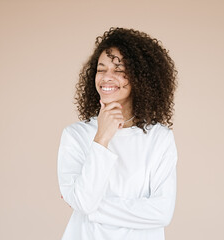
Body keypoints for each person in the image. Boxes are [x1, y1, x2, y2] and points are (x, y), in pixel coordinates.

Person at [57, 27, 178, 240]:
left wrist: (91, 208)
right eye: (101, 69)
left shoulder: (159, 138)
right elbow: (85, 202)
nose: (106, 77)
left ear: (141, 77)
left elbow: (162, 212)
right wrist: (101, 137)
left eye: (118, 69)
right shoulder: (75, 135)